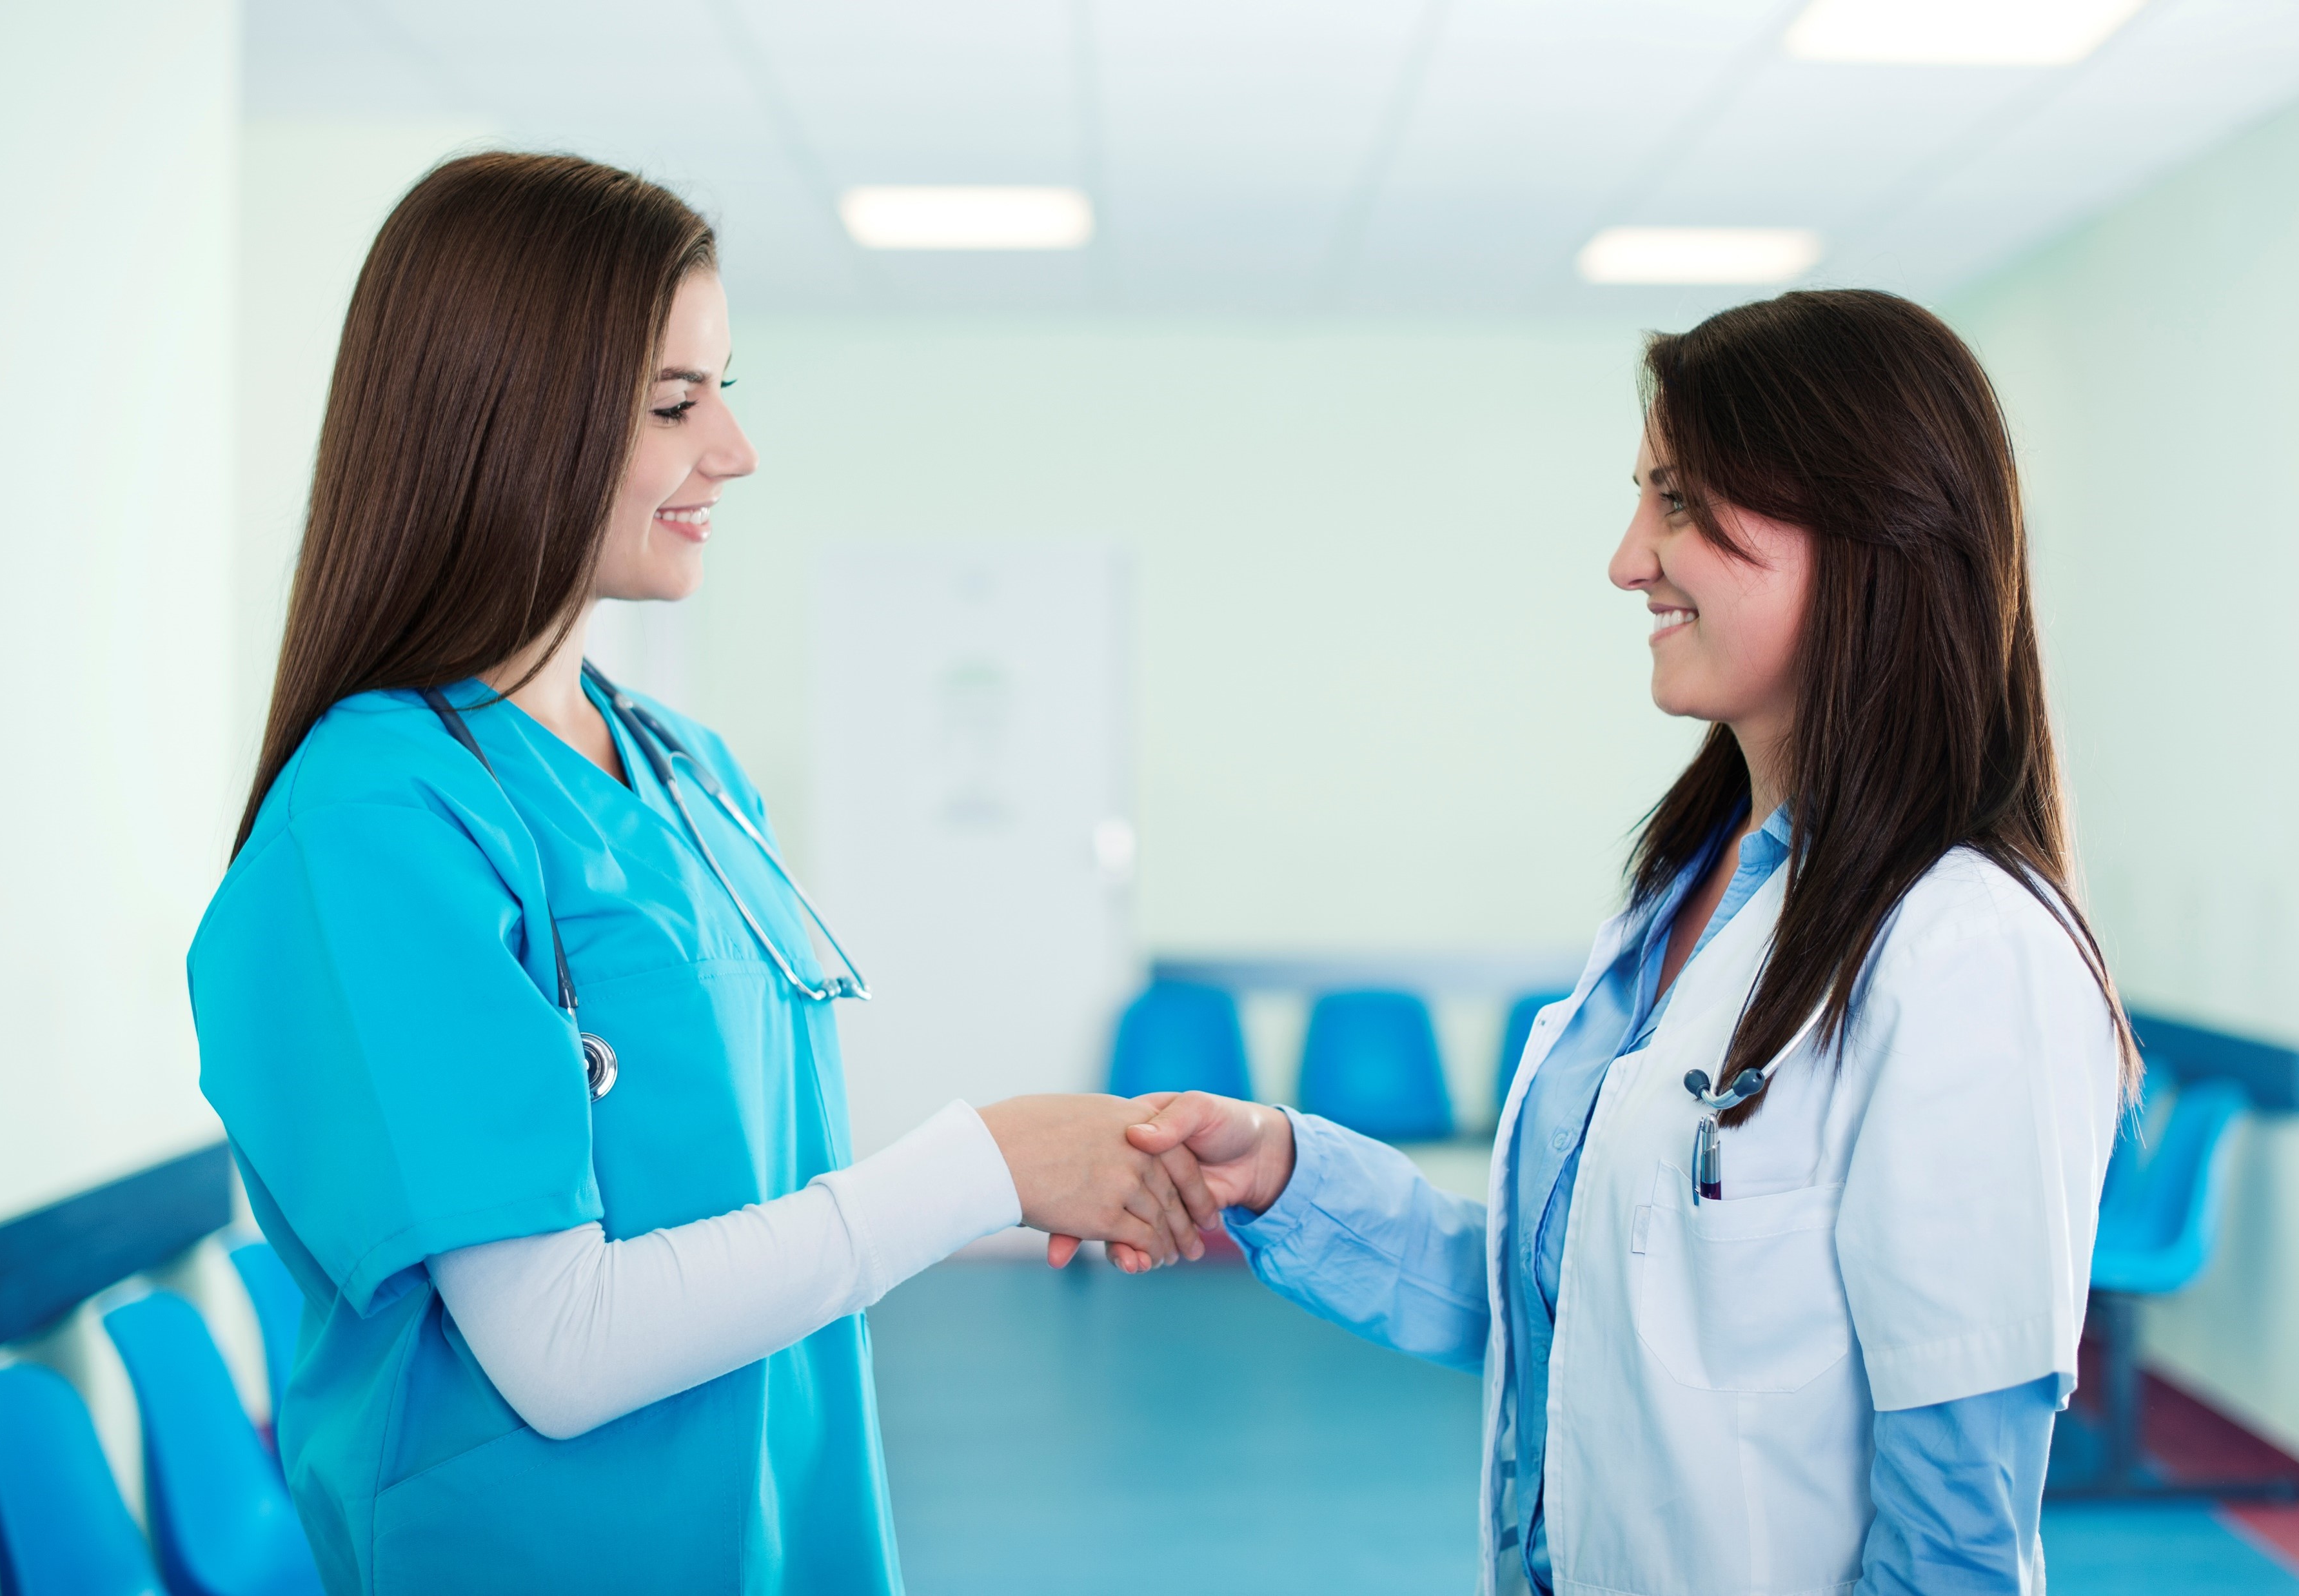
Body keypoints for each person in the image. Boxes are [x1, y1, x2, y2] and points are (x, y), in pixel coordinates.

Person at [187, 152, 1214, 1596]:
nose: (734, 449)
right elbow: (557, 1345)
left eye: (721, 390)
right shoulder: (373, 823)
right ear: (512, 417)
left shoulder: (686, 771)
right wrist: (986, 1165)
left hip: (787, 1533)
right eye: (676, 403)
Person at [1131, 290, 2131, 1595]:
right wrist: (1281, 1170)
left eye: (1678, 502)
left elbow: (1954, 1543)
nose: (1625, 561)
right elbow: (1577, 1304)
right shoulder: (1690, 893)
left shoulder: (1965, 949)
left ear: (1865, 530)